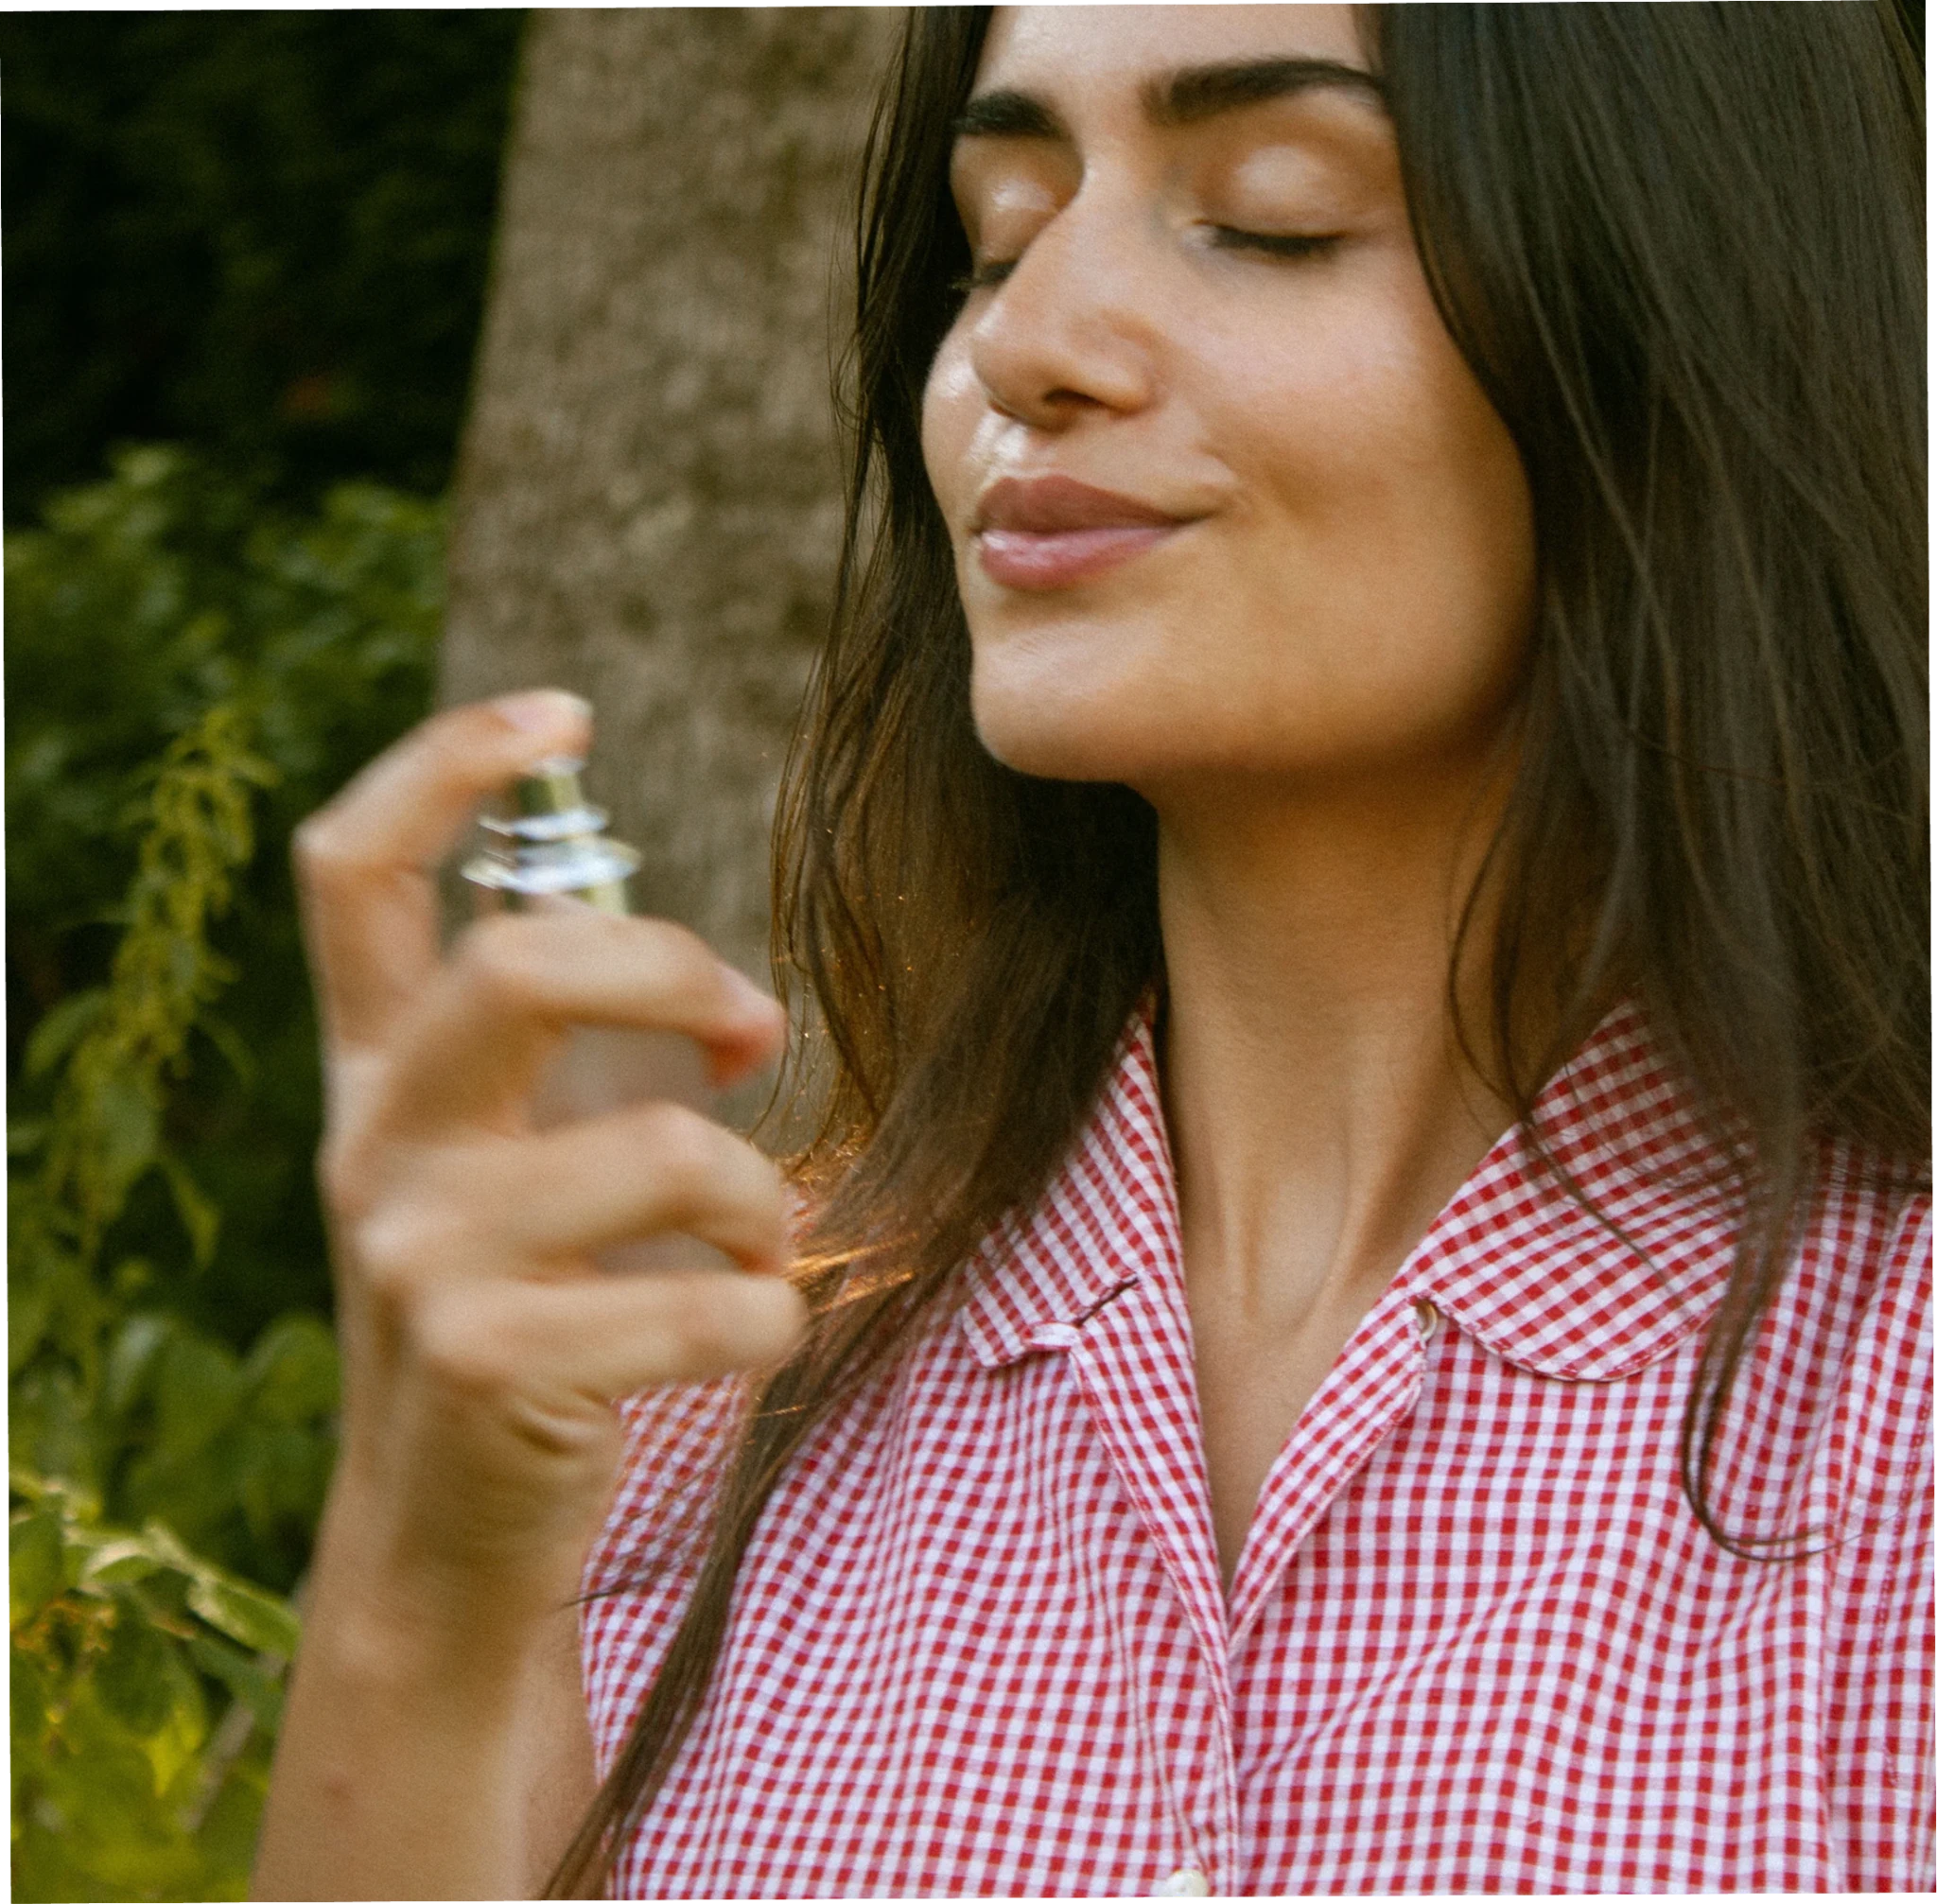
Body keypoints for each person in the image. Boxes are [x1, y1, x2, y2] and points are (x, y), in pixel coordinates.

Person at [251, 3, 1931, 1900]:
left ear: (1680, 312)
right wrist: (428, 1569)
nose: (1023, 343)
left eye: (1271, 216)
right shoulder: (688, 1399)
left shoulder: (1896, 1407)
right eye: (996, 237)